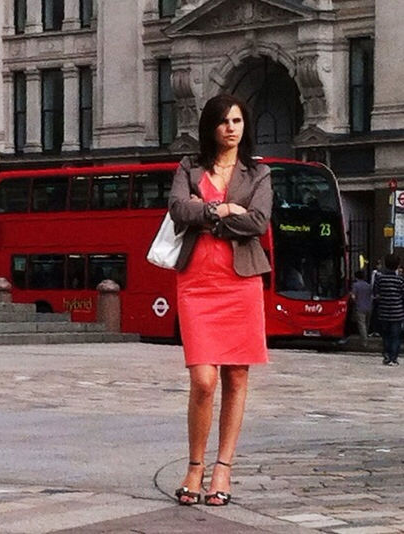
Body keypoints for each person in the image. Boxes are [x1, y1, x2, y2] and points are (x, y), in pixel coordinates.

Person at [168, 93, 272, 506]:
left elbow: (259, 222)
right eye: (224, 121)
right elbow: (178, 210)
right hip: (196, 282)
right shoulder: (189, 167)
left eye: (238, 121)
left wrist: (208, 212)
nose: (232, 128)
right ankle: (195, 465)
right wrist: (224, 210)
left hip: (241, 282)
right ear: (211, 127)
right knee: (203, 379)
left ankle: (222, 470)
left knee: (237, 377)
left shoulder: (258, 173)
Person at [373, 253, 404, 366]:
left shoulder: (380, 279)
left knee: (385, 335)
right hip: (397, 312)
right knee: (395, 336)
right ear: (397, 266)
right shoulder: (400, 280)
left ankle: (386, 355)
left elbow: (376, 294)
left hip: (384, 312)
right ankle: (393, 358)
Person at [351, 270, 372, 347]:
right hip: (369, 307)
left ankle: (364, 342)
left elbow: (353, 296)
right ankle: (365, 338)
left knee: (361, 324)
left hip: (360, 307)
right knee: (366, 324)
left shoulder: (355, 285)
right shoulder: (368, 285)